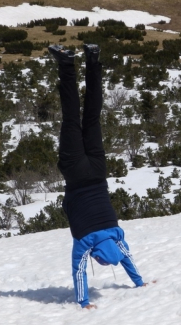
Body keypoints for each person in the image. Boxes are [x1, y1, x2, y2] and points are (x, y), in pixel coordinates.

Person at [48, 44, 146, 310]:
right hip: (76, 174)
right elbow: (79, 272)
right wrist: (84, 302)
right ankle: (67, 63)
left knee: (92, 119)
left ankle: (93, 58)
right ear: (97, 254)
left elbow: (126, 257)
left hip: (98, 171)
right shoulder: (84, 240)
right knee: (71, 119)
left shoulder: (116, 233)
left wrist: (140, 282)